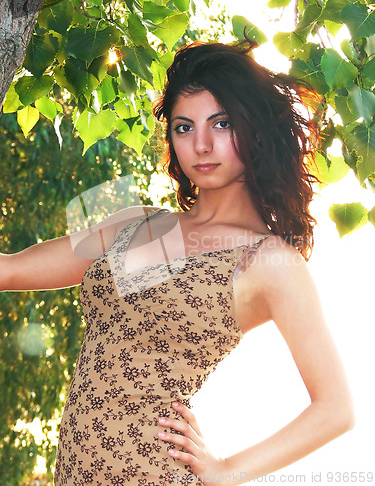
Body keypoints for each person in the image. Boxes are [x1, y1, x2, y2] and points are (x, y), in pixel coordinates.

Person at [0, 41, 354, 485]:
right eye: (184, 128)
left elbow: (337, 409)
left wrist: (226, 470)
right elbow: (9, 269)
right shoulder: (137, 221)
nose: (201, 145)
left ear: (255, 130)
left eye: (221, 124)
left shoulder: (269, 261)